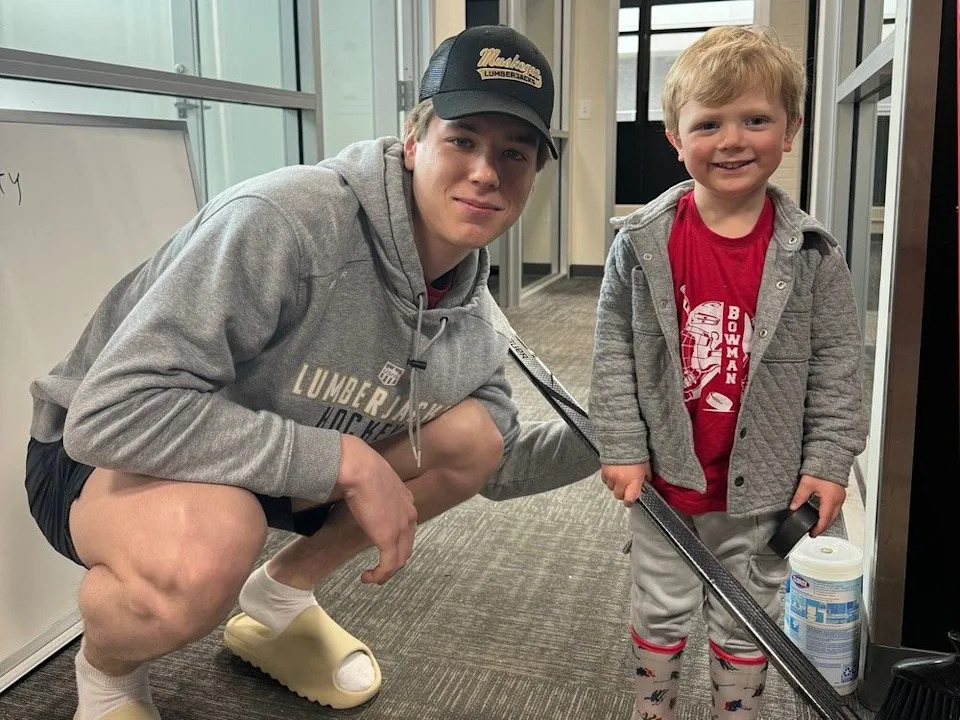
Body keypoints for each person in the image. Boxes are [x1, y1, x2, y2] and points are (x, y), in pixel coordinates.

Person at [25, 25, 598, 720]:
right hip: (97, 451)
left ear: (536, 174)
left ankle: (279, 598)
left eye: (515, 152)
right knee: (213, 542)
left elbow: (494, 463)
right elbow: (111, 414)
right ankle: (108, 678)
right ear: (414, 139)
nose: (486, 172)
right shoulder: (286, 222)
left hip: (263, 457)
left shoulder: (471, 311)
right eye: (463, 139)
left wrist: (626, 434)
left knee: (470, 436)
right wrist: (346, 461)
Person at [589, 26, 867, 720]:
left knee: (748, 613)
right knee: (660, 608)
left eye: (756, 119)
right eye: (708, 123)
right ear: (675, 138)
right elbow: (614, 351)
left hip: (767, 485)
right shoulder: (643, 243)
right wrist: (621, 445)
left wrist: (830, 460)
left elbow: (838, 364)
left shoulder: (812, 256)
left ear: (791, 131)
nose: (733, 139)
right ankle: (655, 709)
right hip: (668, 480)